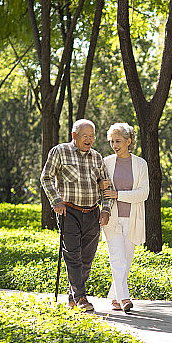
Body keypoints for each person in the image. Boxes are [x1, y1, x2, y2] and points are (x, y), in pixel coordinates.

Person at [40, 119, 112, 312]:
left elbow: (106, 186)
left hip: (92, 213)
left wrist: (106, 209)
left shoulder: (97, 157)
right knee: (73, 255)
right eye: (85, 136)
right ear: (74, 136)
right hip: (69, 211)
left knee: (86, 258)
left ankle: (73, 297)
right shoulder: (60, 151)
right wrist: (56, 201)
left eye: (92, 136)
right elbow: (46, 177)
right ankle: (81, 297)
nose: (89, 140)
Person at [101, 122, 149, 312]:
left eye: (118, 141)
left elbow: (143, 193)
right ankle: (124, 298)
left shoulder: (140, 164)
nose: (114, 145)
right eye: (111, 141)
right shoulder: (106, 162)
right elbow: (100, 188)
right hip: (111, 219)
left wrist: (117, 194)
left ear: (129, 141)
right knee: (117, 259)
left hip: (133, 219)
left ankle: (114, 297)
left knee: (126, 261)